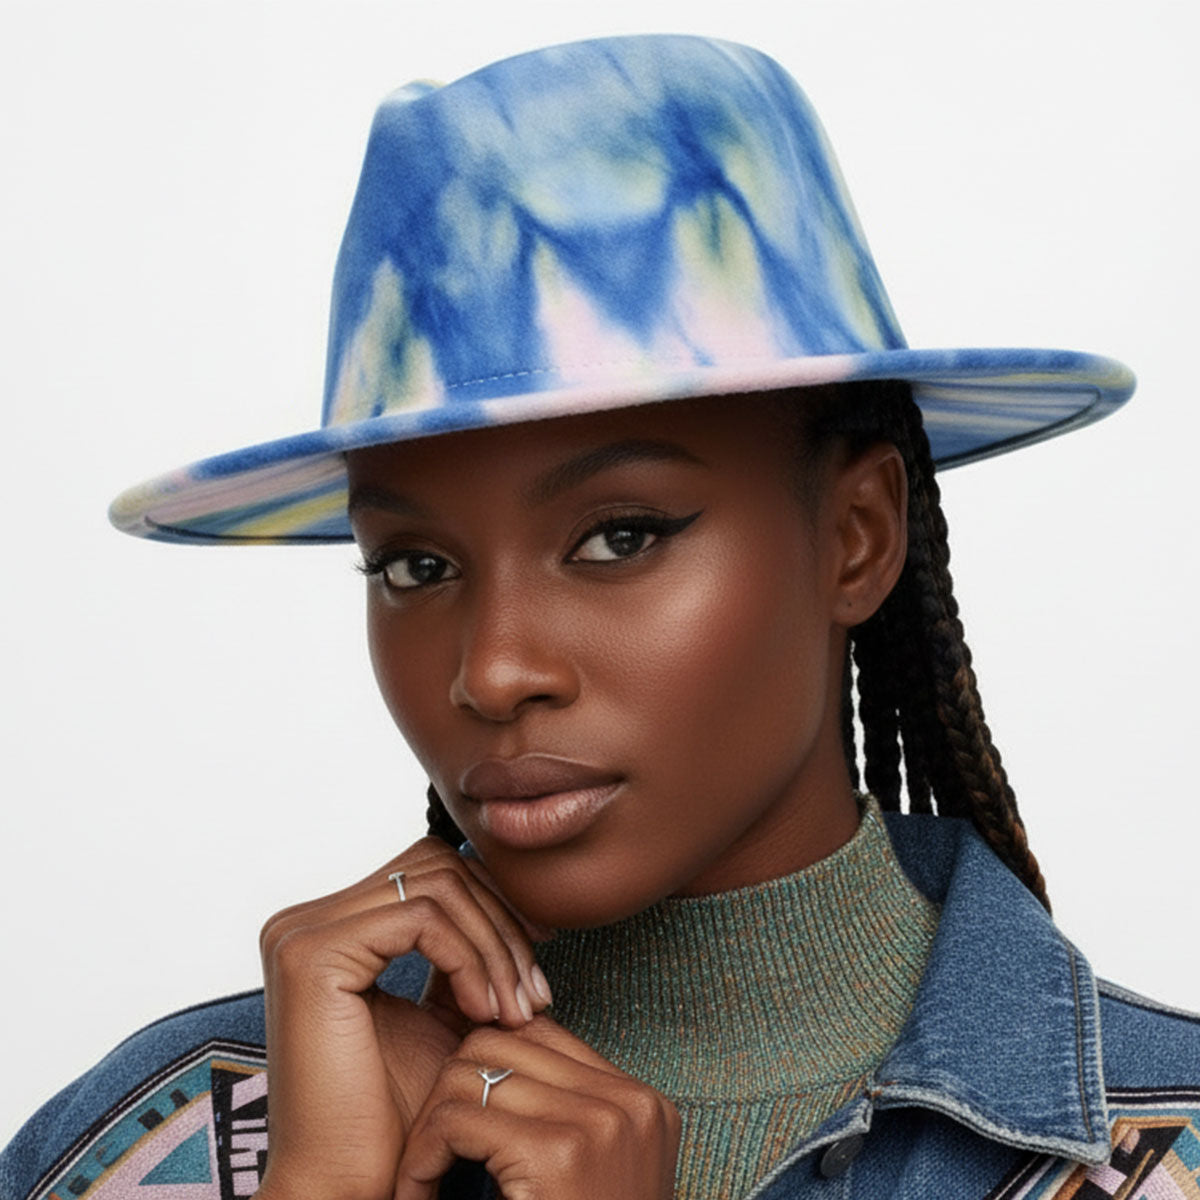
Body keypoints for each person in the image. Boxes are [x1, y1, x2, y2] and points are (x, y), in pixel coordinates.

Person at [4, 31, 1198, 1200]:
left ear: (857, 537)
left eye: (620, 536)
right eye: (415, 565)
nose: (493, 670)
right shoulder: (164, 1146)